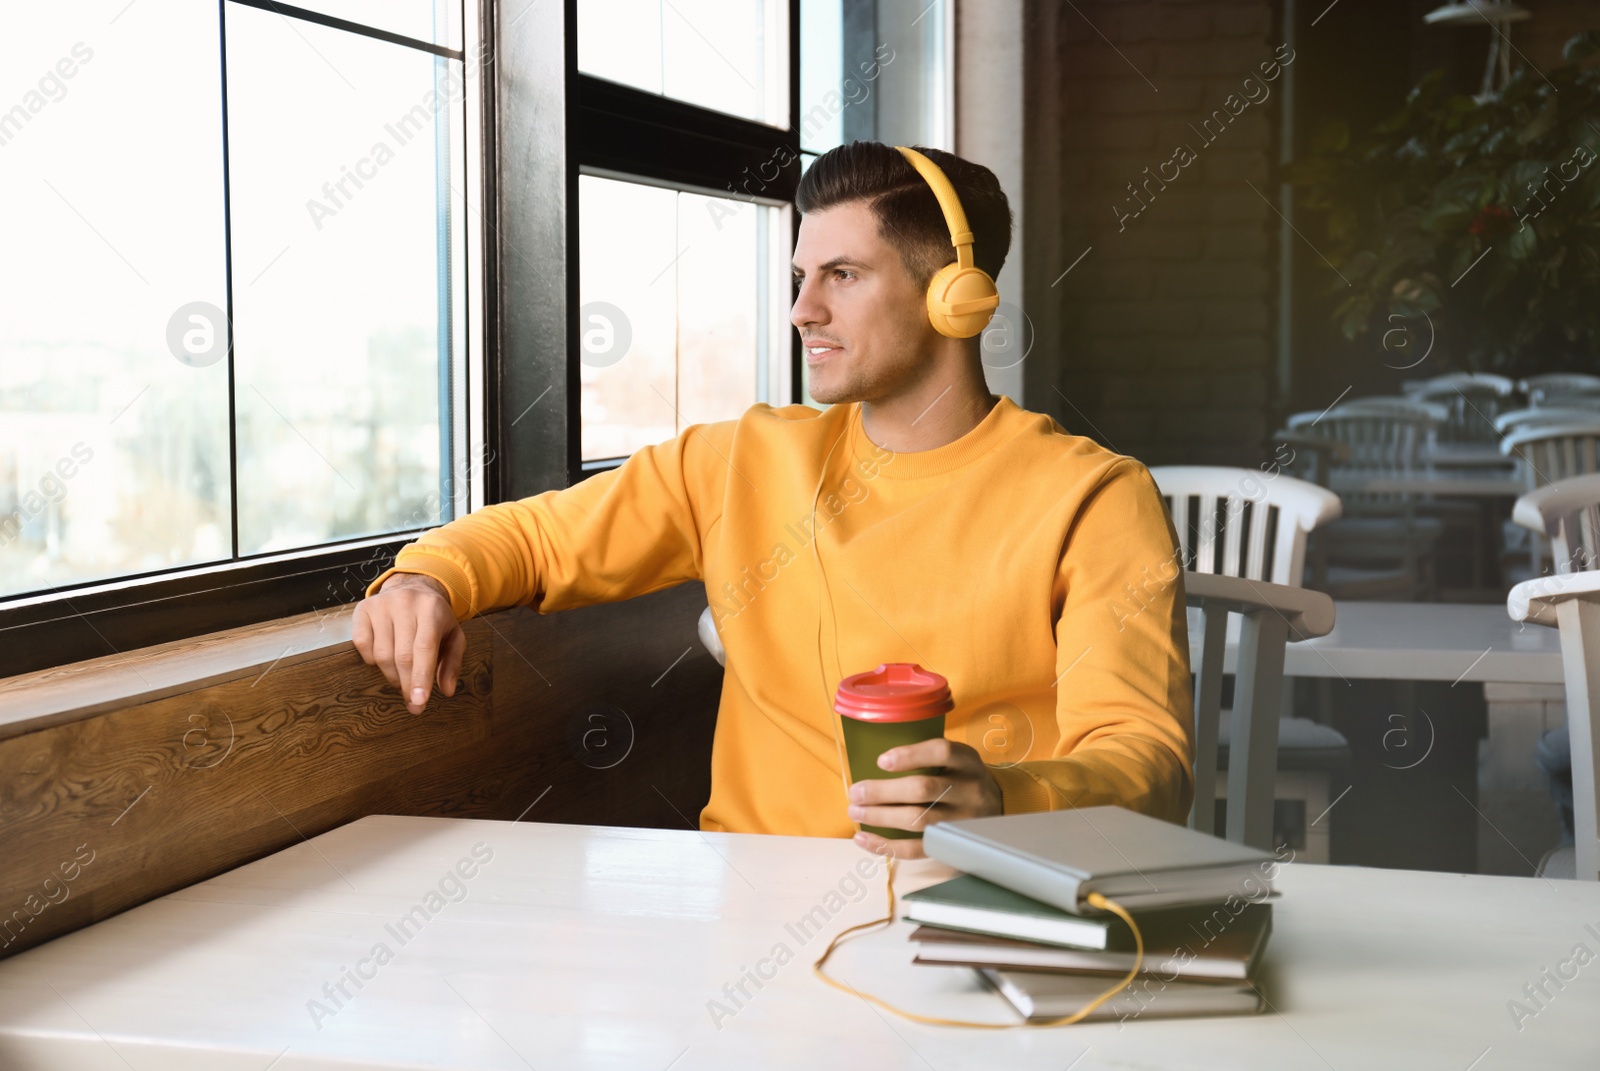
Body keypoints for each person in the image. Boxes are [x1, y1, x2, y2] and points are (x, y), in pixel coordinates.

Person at [353, 141, 1193, 860]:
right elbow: (541, 536)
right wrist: (425, 578)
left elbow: (1148, 762)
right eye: (800, 276)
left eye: (843, 274)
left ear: (955, 296)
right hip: (751, 907)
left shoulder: (1094, 496)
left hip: (973, 895)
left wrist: (1005, 800)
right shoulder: (743, 460)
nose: (802, 310)